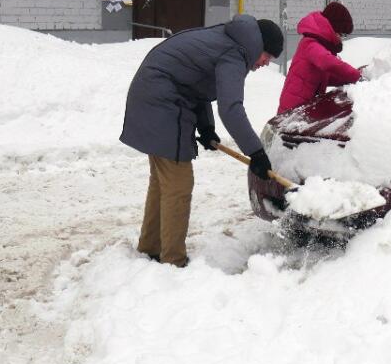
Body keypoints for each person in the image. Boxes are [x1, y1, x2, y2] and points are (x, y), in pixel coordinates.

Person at [121, 14, 284, 267]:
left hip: (154, 95)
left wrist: (206, 127)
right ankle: (173, 260)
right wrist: (256, 152)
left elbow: (197, 83)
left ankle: (151, 246)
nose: (266, 63)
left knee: (163, 181)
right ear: (259, 47)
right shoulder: (235, 53)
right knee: (178, 184)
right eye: (268, 56)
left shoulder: (227, 40)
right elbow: (231, 108)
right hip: (163, 102)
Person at [277, 1, 362, 114]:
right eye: (341, 35)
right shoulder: (311, 44)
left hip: (301, 110)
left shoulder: (319, 46)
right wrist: (356, 75)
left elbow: (327, 77)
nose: (341, 39)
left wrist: (348, 79)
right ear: (333, 28)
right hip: (291, 110)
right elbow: (328, 63)